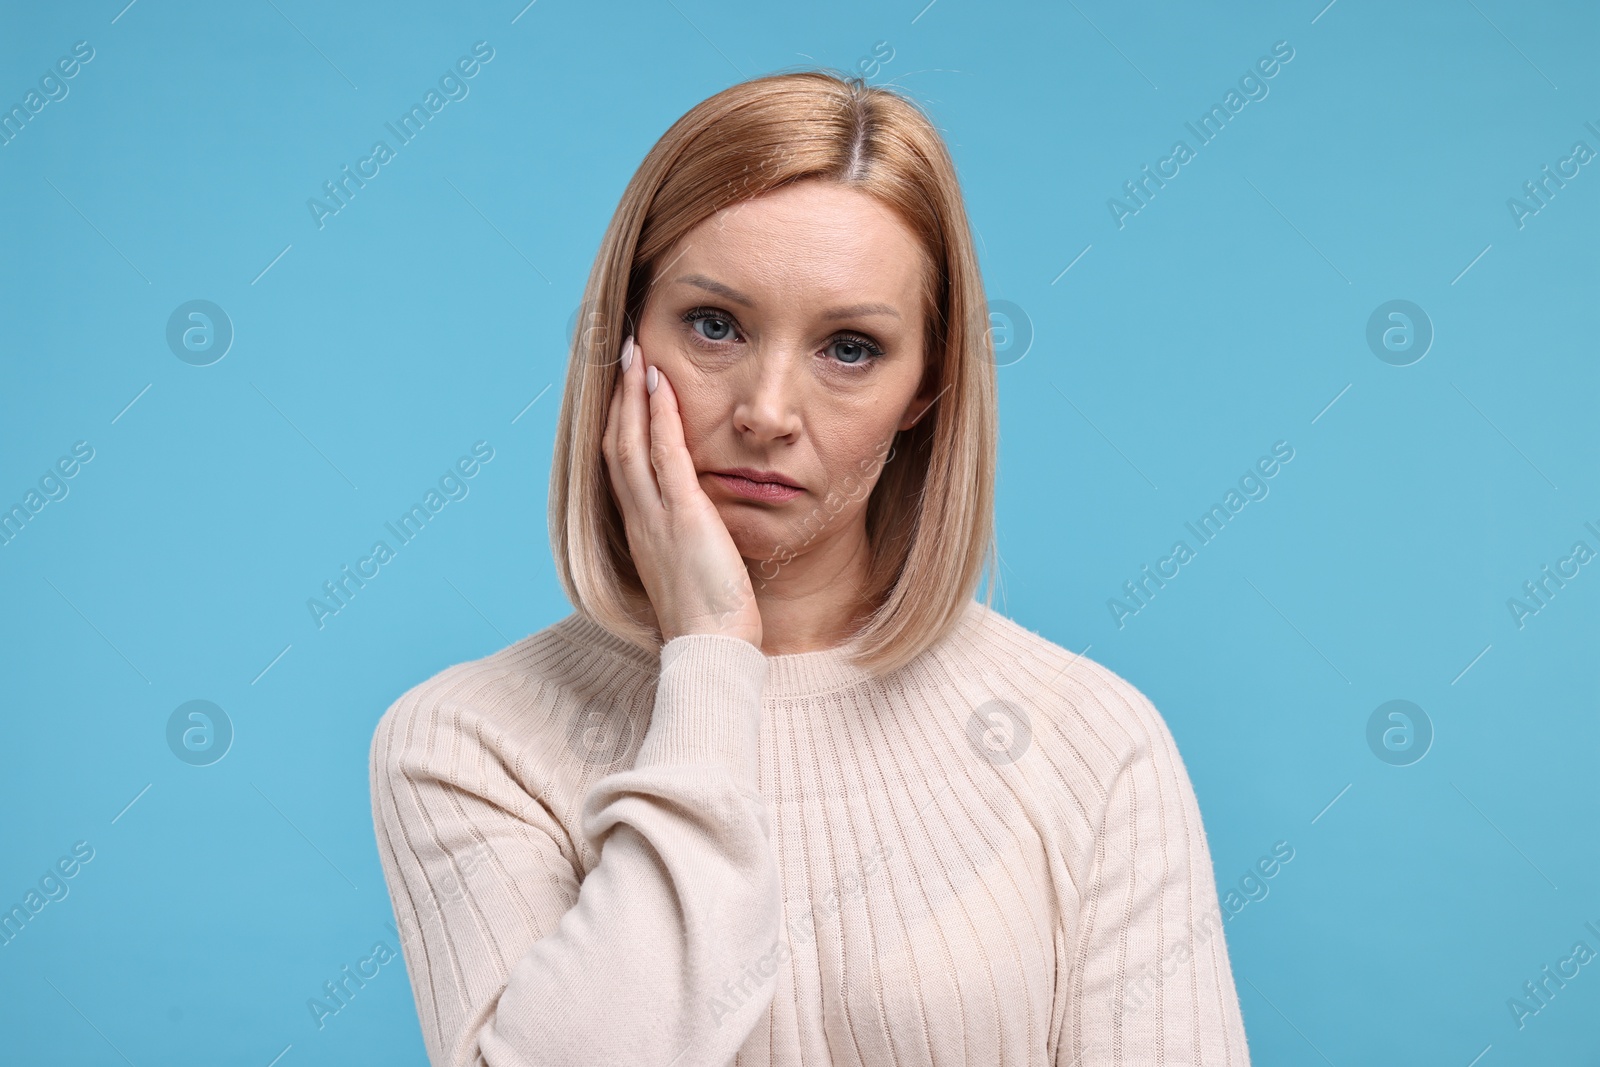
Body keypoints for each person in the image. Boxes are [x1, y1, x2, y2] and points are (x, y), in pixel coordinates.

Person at [369, 68, 1251, 1067]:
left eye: (849, 346)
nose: (767, 410)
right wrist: (709, 659)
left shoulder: (1091, 741)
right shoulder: (469, 741)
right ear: (620, 338)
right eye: (714, 325)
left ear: (927, 387)